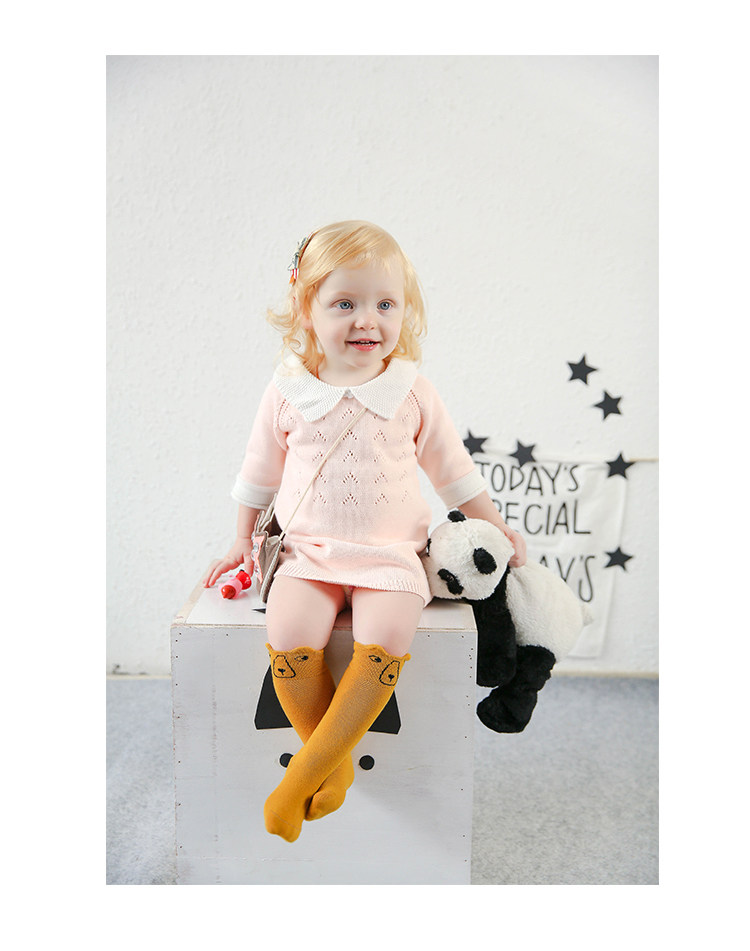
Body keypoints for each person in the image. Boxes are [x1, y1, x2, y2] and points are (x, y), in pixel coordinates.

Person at [203, 220, 526, 842]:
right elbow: (257, 474)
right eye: (344, 304)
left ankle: (303, 777)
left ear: (406, 310)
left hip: (390, 555)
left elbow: (452, 470)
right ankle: (334, 764)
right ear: (306, 308)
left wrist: (494, 523)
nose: (367, 321)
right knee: (288, 629)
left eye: (385, 304)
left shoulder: (411, 391)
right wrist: (241, 540)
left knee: (389, 630)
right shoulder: (288, 391)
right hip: (310, 552)